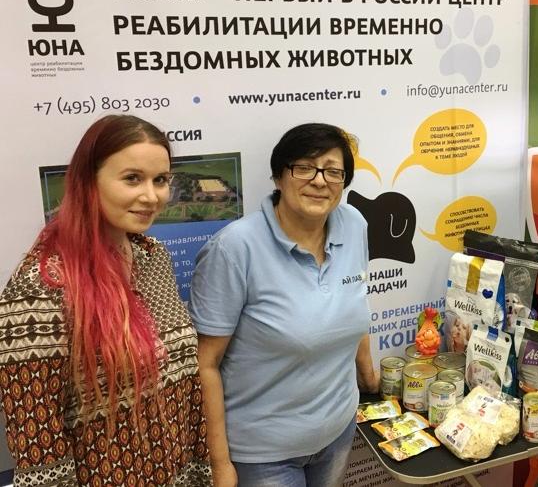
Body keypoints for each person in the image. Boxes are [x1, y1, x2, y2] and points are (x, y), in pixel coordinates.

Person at [0, 115, 211, 485]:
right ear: (89, 181)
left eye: (161, 180)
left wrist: (204, 470)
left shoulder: (152, 256)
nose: (151, 196)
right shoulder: (42, 284)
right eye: (132, 178)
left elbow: (184, 385)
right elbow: (37, 440)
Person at [190, 123, 379, 487]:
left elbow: (355, 304)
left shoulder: (353, 224)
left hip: (338, 431)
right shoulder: (233, 249)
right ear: (278, 176)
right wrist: (219, 463)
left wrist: (369, 377)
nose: (320, 181)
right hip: (264, 453)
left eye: (333, 171)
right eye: (304, 168)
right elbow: (205, 364)